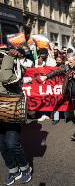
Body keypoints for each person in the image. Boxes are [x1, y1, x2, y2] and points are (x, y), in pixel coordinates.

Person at [40, 52, 75, 141]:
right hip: (72, 94)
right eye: (68, 62)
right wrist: (46, 77)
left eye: (71, 62)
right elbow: (56, 71)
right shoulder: (67, 67)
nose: (68, 64)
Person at [0, 49, 32, 185]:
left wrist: (10, 57)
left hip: (11, 111)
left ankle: (25, 168)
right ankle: (13, 170)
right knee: (2, 146)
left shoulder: (15, 71)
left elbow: (5, 78)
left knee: (12, 144)